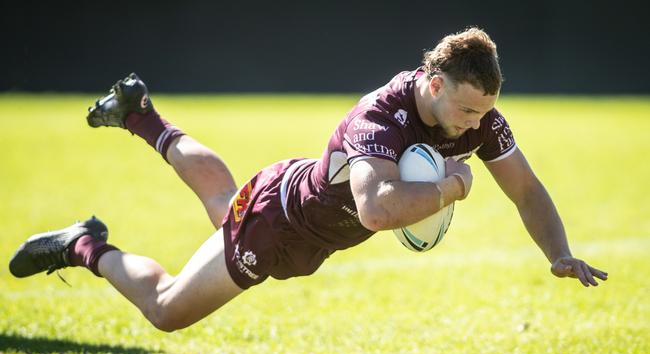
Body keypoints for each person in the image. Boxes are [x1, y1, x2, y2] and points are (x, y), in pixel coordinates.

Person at [9, 27, 607, 332]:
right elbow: (375, 209)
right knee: (166, 309)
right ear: (432, 81)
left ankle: (142, 117)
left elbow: (526, 188)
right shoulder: (381, 114)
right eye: (468, 110)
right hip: (280, 226)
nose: (477, 124)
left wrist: (559, 252)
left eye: (484, 112)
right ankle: (85, 243)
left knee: (223, 204)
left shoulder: (476, 118)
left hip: (298, 206)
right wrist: (450, 187)